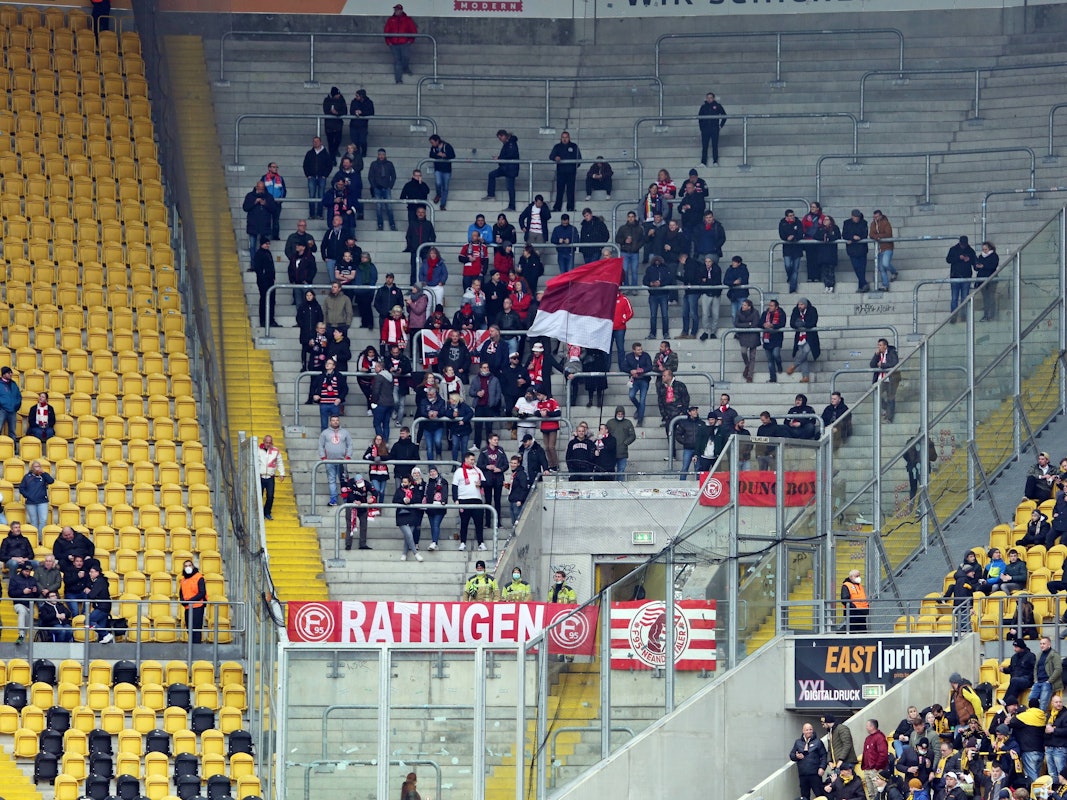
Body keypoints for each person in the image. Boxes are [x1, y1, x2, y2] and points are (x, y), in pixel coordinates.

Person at [453, 452, 487, 551]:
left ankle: (481, 542)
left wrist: (481, 484)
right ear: (466, 459)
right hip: (464, 500)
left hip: (477, 499)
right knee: (464, 522)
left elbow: (485, 482)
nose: (473, 461)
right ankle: (463, 542)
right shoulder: (459, 471)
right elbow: (454, 486)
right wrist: (456, 499)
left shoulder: (478, 470)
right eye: (471, 460)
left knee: (479, 523)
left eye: (473, 460)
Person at [318, 414, 353, 506]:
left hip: (342, 461)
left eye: (337, 420)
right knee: (332, 480)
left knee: (344, 481)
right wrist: (323, 457)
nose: (335, 422)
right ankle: (333, 500)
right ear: (330, 422)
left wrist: (348, 456)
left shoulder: (345, 432)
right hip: (329, 461)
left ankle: (346, 500)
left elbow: (350, 445)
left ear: (339, 421)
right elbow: (320, 445)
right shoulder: (325, 433)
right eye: (333, 420)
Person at [790, 722, 829, 800]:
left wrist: (822, 767)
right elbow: (791, 755)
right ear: (803, 731)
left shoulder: (818, 742)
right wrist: (796, 756)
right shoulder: (798, 742)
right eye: (807, 730)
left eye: (810, 729)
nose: (809, 731)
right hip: (803, 775)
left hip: (815, 774)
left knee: (819, 794)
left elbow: (824, 756)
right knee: (804, 796)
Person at [787, 298, 820, 383]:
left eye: (801, 304)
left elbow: (813, 322)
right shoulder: (795, 310)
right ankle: (805, 376)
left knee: (805, 351)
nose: (799, 306)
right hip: (800, 336)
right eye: (799, 304)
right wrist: (797, 325)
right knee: (803, 357)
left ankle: (794, 365)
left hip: (810, 336)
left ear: (805, 305)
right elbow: (792, 323)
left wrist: (804, 324)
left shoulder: (812, 310)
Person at [485, 129, 520, 211]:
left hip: (510, 169)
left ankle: (512, 206)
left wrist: (499, 158)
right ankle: (491, 194)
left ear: (503, 136)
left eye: (500, 138)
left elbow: (511, 155)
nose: (500, 140)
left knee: (510, 187)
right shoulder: (507, 143)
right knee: (492, 174)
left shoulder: (511, 143)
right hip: (505, 167)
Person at [242, 180, 276, 263]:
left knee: (264, 247)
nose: (261, 190)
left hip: (265, 226)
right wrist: (254, 202)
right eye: (259, 188)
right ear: (256, 187)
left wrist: (265, 204)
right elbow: (245, 208)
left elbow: (274, 209)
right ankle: (253, 264)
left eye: (262, 189)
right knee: (252, 246)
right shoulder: (250, 196)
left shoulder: (269, 197)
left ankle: (264, 264)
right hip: (253, 225)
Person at [476, 432, 507, 521]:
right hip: (488, 479)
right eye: (495, 440)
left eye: (497, 440)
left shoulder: (501, 450)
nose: (497, 441)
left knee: (498, 501)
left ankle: (498, 522)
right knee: (488, 501)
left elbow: (506, 465)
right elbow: (479, 464)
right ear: (490, 440)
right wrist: (487, 466)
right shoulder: (484, 450)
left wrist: (500, 469)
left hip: (498, 479)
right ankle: (488, 522)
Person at [393, 474, 424, 562]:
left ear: (410, 482)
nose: (404, 483)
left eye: (406, 482)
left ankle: (404, 554)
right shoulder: (399, 490)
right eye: (403, 482)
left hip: (413, 515)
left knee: (408, 536)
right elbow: (395, 500)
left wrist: (410, 500)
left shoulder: (415, 490)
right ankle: (416, 553)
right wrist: (403, 500)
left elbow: (418, 499)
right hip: (401, 515)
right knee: (409, 534)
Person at [384, 3, 417, 83]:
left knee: (405, 57)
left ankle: (405, 68)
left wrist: (410, 41)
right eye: (395, 10)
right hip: (394, 44)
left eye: (398, 10)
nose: (396, 11)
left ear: (401, 10)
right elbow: (386, 32)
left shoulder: (408, 20)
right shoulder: (390, 20)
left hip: (404, 43)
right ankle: (398, 79)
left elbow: (414, 31)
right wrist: (389, 42)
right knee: (397, 61)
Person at [302, 136, 334, 220]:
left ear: (321, 142)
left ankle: (320, 214)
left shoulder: (325, 154)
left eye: (317, 141)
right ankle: (312, 214)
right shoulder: (309, 153)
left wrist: (325, 175)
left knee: (321, 196)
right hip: (311, 177)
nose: (315, 143)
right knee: (311, 196)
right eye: (314, 141)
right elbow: (305, 165)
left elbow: (329, 166)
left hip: (321, 177)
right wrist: (308, 175)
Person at [622, 342, 653, 426]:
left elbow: (650, 366)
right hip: (634, 380)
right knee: (631, 396)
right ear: (634, 350)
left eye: (641, 349)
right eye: (638, 350)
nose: (640, 351)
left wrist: (642, 370)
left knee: (642, 400)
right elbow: (623, 366)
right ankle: (639, 408)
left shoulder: (646, 355)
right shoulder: (628, 357)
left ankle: (640, 419)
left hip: (644, 380)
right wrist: (631, 371)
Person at [549, 131, 581, 212]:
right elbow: (551, 156)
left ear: (569, 138)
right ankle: (557, 207)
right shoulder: (557, 147)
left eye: (566, 137)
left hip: (571, 173)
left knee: (570, 191)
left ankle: (570, 207)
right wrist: (555, 157)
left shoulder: (574, 146)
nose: (564, 139)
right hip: (561, 172)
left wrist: (574, 166)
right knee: (560, 190)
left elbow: (579, 159)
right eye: (563, 137)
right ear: (561, 138)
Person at [251, 237, 279, 329]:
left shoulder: (268, 253)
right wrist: (263, 278)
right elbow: (258, 269)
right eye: (266, 243)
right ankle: (263, 320)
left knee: (271, 300)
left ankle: (271, 319)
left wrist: (273, 277)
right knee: (264, 300)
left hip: (270, 280)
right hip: (263, 281)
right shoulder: (259, 254)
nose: (268, 245)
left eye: (268, 244)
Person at [20, 459, 54, 536]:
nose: (37, 468)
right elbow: (21, 488)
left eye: (38, 466)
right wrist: (28, 496)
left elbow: (51, 481)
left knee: (43, 520)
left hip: (42, 502)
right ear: (32, 468)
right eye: (35, 466)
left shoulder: (44, 476)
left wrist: (44, 473)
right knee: (34, 521)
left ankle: (41, 538)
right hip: (30, 502)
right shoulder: (27, 477)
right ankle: (35, 538)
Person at [871, 338, 901, 423]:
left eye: (880, 345)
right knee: (876, 394)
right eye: (878, 345)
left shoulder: (892, 352)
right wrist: (875, 355)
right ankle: (886, 408)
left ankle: (889, 418)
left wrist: (883, 365)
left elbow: (894, 363)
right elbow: (872, 365)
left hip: (891, 379)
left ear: (885, 346)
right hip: (881, 379)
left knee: (890, 397)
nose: (879, 347)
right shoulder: (879, 354)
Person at [178, 558, 208, 644]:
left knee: (196, 630)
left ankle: (196, 650)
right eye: (186, 566)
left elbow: (202, 593)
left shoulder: (199, 577)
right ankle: (191, 648)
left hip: (197, 607)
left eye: (189, 565)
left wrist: (190, 601)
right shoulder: (183, 579)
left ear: (193, 566)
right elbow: (181, 593)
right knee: (189, 629)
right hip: (188, 607)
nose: (188, 567)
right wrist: (183, 601)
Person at [946, 235, 977, 318]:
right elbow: (948, 260)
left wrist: (969, 259)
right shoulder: (953, 249)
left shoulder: (970, 251)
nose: (963, 245)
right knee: (954, 298)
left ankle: (964, 315)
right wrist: (958, 258)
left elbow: (975, 263)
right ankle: (954, 315)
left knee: (964, 298)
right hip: (955, 276)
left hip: (966, 276)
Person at [404, 205, 436, 285]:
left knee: (427, 269)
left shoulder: (428, 224)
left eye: (422, 212)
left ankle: (427, 285)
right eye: (419, 212)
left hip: (425, 251)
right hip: (414, 250)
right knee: (414, 269)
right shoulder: (412, 223)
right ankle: (413, 287)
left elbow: (433, 236)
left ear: (425, 214)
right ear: (416, 213)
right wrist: (411, 246)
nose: (421, 214)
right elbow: (408, 236)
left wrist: (428, 245)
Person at [9, 560, 39, 645]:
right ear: (22, 570)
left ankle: (24, 639)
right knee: (22, 611)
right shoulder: (14, 579)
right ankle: (21, 635)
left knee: (28, 625)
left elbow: (37, 594)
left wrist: (35, 591)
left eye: (29, 571)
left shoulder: (33, 579)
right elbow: (11, 593)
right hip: (19, 603)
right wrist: (23, 591)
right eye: (26, 571)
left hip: (30, 604)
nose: (28, 573)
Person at [257, 434, 285, 521]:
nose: (268, 444)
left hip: (270, 477)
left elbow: (280, 462)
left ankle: (267, 512)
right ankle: (259, 513)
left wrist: (282, 473)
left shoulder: (276, 451)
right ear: (263, 441)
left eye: (269, 442)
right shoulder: (258, 450)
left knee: (270, 496)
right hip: (260, 476)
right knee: (259, 496)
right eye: (266, 442)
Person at [368, 149, 397, 232]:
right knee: (378, 207)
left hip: (386, 188)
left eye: (382, 154)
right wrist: (374, 186)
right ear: (377, 155)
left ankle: (392, 224)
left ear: (385, 155)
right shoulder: (374, 164)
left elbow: (394, 176)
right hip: (377, 188)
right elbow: (370, 177)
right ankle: (380, 225)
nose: (381, 156)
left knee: (389, 207)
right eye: (379, 154)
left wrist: (390, 186)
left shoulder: (389, 164)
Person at [1029, 635, 1062, 711]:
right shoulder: (1039, 655)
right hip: (1038, 682)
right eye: (1041, 644)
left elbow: (1058, 669)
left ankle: (1041, 719)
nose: (1042, 645)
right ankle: (1033, 716)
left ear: (1049, 644)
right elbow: (1035, 668)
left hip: (1047, 683)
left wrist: (1049, 681)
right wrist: (1035, 680)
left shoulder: (1054, 655)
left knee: (1043, 703)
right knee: (1031, 700)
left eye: (1044, 644)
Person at [644, 256, 673, 339]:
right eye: (655, 260)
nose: (657, 261)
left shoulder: (666, 269)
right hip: (653, 295)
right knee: (653, 316)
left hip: (663, 295)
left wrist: (661, 283)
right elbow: (645, 280)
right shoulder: (649, 269)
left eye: (658, 260)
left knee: (665, 315)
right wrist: (651, 283)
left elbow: (670, 280)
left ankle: (666, 333)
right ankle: (652, 334)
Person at [615, 211, 646, 288]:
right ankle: (626, 286)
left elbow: (643, 240)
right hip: (624, 252)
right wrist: (624, 241)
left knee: (634, 271)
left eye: (632, 217)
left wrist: (637, 247)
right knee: (625, 271)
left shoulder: (639, 228)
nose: (631, 218)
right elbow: (617, 239)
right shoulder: (622, 228)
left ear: (635, 217)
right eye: (629, 217)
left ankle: (634, 287)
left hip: (635, 253)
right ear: (627, 218)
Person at [843, 209, 871, 292]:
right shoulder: (846, 223)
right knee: (856, 267)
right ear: (852, 216)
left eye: (858, 217)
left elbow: (864, 234)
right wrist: (852, 237)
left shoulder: (864, 222)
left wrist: (854, 239)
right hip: (852, 250)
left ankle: (861, 286)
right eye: (855, 217)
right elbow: (844, 234)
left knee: (862, 268)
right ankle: (864, 283)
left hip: (862, 249)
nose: (856, 219)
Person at [1002, 638, 1036, 706]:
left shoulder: (1030, 656)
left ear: (1021, 647)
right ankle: (1010, 704)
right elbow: (1011, 668)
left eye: (1016, 647)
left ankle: (1005, 701)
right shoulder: (1014, 657)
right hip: (1016, 680)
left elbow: (1035, 669)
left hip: (1027, 679)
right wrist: (1004, 670)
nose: (1014, 649)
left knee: (1014, 681)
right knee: (1014, 682)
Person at [869, 209, 897, 291]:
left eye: (877, 216)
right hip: (879, 249)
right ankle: (885, 285)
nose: (875, 218)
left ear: (881, 216)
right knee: (881, 268)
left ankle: (894, 272)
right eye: (874, 217)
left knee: (885, 264)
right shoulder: (872, 224)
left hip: (888, 247)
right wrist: (876, 237)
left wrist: (878, 236)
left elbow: (888, 234)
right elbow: (871, 234)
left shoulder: (886, 223)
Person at [606, 406, 636, 479]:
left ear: (624, 414)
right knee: (610, 471)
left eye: (621, 413)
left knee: (621, 471)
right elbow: (605, 434)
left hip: (623, 452)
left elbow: (633, 436)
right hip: (611, 452)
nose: (620, 415)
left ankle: (620, 487)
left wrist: (625, 443)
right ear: (616, 414)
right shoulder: (610, 422)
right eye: (618, 413)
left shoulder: (628, 423)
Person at [86, 563, 113, 643]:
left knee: (88, 621)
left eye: (92, 572)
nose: (90, 573)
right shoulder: (100, 581)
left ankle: (106, 634)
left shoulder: (99, 582)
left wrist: (88, 591)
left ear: (97, 572)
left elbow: (92, 595)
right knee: (101, 626)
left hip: (102, 607)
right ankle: (103, 645)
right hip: (104, 606)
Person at [697, 91, 727, 166]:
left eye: (711, 98)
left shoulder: (717, 106)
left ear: (713, 98)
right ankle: (703, 162)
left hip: (714, 129)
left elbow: (724, 116)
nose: (709, 99)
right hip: (705, 130)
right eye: (708, 98)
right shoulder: (703, 107)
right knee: (704, 146)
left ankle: (715, 161)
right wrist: (702, 128)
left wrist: (720, 126)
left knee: (714, 145)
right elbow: (699, 118)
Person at [675, 406, 704, 480]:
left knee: (698, 468)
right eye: (693, 411)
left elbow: (704, 436)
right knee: (685, 468)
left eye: (696, 410)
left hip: (698, 450)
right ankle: (681, 485)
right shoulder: (684, 423)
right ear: (689, 412)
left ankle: (698, 485)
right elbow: (677, 434)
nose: (695, 412)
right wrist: (685, 442)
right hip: (688, 448)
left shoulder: (701, 423)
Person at [760, 298, 786, 383]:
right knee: (770, 360)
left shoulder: (781, 314)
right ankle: (773, 378)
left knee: (776, 355)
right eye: (769, 305)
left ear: (776, 307)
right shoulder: (765, 314)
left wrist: (772, 325)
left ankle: (779, 365)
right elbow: (759, 323)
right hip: (767, 339)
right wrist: (764, 325)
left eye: (771, 306)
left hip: (777, 339)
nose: (770, 307)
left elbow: (782, 324)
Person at [801, 201, 827, 283]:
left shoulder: (822, 217)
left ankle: (817, 277)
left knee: (818, 259)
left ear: (818, 208)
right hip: (808, 241)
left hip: (818, 241)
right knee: (810, 260)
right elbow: (803, 227)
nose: (812, 208)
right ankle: (810, 277)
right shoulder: (806, 217)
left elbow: (826, 226)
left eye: (813, 207)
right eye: (811, 207)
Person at [657, 369, 689, 436]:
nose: (662, 377)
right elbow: (660, 402)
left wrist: (683, 411)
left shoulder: (680, 385)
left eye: (664, 376)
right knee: (670, 436)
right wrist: (664, 415)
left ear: (669, 376)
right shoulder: (662, 388)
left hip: (679, 414)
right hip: (668, 416)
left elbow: (686, 398)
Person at [445, 392, 475, 464]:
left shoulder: (463, 405)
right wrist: (452, 415)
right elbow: (446, 413)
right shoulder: (449, 406)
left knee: (464, 448)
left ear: (455, 399)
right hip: (455, 430)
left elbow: (470, 412)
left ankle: (463, 463)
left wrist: (463, 420)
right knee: (455, 446)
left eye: (451, 399)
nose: (450, 400)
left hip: (464, 430)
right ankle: (454, 463)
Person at [779, 209, 804, 294]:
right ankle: (789, 277)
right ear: (786, 217)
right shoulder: (782, 223)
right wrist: (787, 237)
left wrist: (793, 236)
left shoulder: (798, 222)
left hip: (797, 249)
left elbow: (801, 233)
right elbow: (782, 234)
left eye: (793, 215)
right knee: (788, 265)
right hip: (787, 249)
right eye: (790, 216)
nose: (792, 217)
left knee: (795, 269)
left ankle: (792, 288)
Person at [427, 134, 455, 209]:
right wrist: (440, 155)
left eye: (432, 142)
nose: (432, 144)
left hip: (447, 170)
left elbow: (452, 155)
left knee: (445, 187)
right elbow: (431, 155)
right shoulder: (433, 148)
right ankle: (438, 194)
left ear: (437, 141)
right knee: (438, 183)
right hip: (438, 169)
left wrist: (444, 155)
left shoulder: (447, 146)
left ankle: (443, 204)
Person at [815, 215, 841, 293]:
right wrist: (823, 236)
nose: (825, 221)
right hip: (822, 253)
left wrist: (829, 237)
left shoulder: (835, 228)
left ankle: (831, 286)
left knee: (831, 271)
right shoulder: (820, 228)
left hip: (831, 253)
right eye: (824, 219)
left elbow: (837, 236)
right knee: (825, 271)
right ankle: (826, 285)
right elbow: (816, 236)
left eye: (827, 219)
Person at [504, 455, 530, 528]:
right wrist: (508, 486)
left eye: (515, 463)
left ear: (518, 464)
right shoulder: (515, 473)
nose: (512, 465)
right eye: (511, 463)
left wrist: (520, 500)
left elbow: (524, 487)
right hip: (513, 500)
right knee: (514, 522)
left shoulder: (521, 474)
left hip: (517, 501)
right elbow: (515, 487)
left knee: (517, 522)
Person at [723, 255, 749, 320]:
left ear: (739, 263)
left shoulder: (744, 269)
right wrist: (733, 282)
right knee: (734, 314)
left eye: (735, 262)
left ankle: (741, 329)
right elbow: (725, 281)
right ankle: (736, 329)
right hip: (733, 295)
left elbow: (744, 280)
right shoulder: (729, 270)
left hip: (742, 294)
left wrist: (733, 282)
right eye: (733, 262)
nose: (733, 263)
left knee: (741, 313)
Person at [322, 86, 346, 157]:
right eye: (337, 95)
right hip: (329, 125)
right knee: (330, 141)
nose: (339, 96)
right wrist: (332, 112)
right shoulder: (327, 100)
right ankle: (332, 157)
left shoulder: (341, 99)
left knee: (338, 139)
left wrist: (337, 113)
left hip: (338, 124)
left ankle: (334, 151)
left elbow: (344, 110)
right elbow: (325, 110)